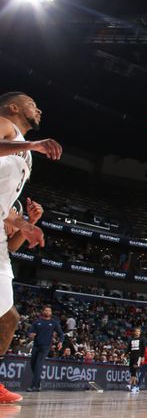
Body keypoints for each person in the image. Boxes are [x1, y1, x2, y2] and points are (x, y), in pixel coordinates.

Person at [0, 92, 61, 403]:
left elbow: (6, 215)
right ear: (13, 106)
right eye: (31, 103)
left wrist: (24, 224)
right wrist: (32, 144)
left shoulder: (26, 152)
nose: (39, 108)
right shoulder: (5, 125)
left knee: (8, 318)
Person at [26, 305, 65, 392]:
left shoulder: (54, 323)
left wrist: (60, 342)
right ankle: (38, 383)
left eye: (49, 311)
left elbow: (61, 334)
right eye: (46, 310)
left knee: (38, 365)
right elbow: (30, 332)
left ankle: (33, 386)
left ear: (51, 313)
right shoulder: (37, 322)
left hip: (46, 346)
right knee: (33, 365)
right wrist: (31, 335)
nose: (47, 312)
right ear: (43, 312)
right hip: (36, 346)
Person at [128, 328, 144, 393]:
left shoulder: (142, 339)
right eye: (136, 331)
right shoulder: (131, 339)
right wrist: (125, 353)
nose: (137, 332)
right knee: (132, 371)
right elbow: (128, 348)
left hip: (138, 357)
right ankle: (135, 386)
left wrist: (143, 356)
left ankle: (129, 384)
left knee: (134, 369)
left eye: (138, 331)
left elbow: (143, 348)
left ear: (140, 332)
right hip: (132, 356)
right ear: (134, 332)